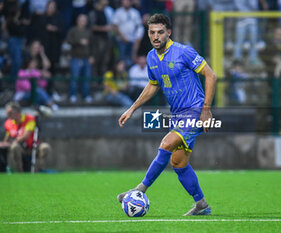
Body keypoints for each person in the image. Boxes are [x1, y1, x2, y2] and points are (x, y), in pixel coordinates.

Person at [117, 14, 217, 215]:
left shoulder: (183, 52)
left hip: (195, 110)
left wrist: (206, 110)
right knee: (178, 163)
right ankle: (201, 205)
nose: (156, 36)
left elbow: (211, 75)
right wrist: (132, 108)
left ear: (168, 33)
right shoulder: (151, 57)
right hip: (178, 114)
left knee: (166, 144)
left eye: (160, 32)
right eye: (152, 32)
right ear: (148, 34)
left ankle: (138, 190)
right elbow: (153, 86)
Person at [1, 102, 51, 172]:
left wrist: (14, 142)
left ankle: (37, 170)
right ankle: (20, 171)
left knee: (45, 147)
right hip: (20, 148)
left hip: (32, 146)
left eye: (10, 113)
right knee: (15, 147)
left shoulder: (29, 119)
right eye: (7, 113)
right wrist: (4, 144)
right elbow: (7, 137)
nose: (8, 115)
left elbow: (26, 135)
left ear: (18, 112)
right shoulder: (8, 123)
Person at [66, 14, 94, 103]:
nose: (83, 21)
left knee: (86, 78)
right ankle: (72, 95)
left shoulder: (88, 31)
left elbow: (92, 45)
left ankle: (86, 95)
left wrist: (92, 56)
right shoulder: (73, 30)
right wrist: (79, 42)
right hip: (75, 57)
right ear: (77, 20)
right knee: (74, 77)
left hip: (86, 58)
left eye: (85, 20)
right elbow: (68, 41)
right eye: (82, 19)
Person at [112, 0, 143, 67]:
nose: (125, 2)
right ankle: (122, 76)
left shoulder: (135, 13)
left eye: (127, 1)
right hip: (121, 41)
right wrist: (123, 37)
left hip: (132, 40)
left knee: (131, 60)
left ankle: (130, 76)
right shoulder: (118, 12)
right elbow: (115, 26)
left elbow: (139, 27)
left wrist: (137, 39)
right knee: (121, 60)